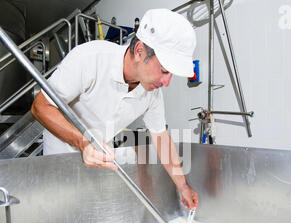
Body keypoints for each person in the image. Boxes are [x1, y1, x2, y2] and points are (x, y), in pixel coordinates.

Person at [31, 8, 199, 210]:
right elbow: (41, 106)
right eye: (164, 71)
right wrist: (84, 144)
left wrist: (183, 186)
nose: (167, 82)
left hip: (100, 163)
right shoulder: (91, 58)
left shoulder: (152, 92)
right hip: (60, 163)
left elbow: (161, 137)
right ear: (139, 51)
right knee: (60, 217)